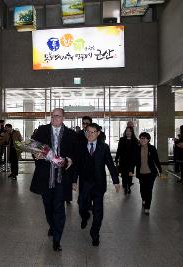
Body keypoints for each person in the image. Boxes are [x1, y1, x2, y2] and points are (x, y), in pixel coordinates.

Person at [30, 108, 76, 252]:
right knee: (48, 205)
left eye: (58, 116)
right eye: (53, 116)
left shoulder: (71, 134)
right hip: (45, 177)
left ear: (63, 118)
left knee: (59, 208)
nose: (54, 118)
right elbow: (34, 147)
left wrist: (68, 160)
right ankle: (52, 224)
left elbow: (74, 154)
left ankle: (57, 239)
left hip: (61, 178)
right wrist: (36, 155)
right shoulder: (42, 130)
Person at [73, 123, 120, 246]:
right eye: (88, 131)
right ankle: (85, 215)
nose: (90, 134)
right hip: (85, 183)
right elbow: (76, 165)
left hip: (99, 184)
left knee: (98, 211)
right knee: (82, 205)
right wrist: (74, 181)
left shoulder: (103, 147)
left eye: (93, 132)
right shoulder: (80, 146)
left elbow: (110, 164)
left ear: (98, 133)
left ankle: (95, 234)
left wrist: (116, 181)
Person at [134, 132, 162, 215]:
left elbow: (156, 159)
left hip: (151, 173)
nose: (142, 140)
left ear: (148, 139)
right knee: (142, 189)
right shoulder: (137, 148)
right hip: (141, 173)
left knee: (149, 190)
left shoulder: (152, 148)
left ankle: (147, 207)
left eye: (144, 138)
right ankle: (144, 199)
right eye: (141, 138)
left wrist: (160, 169)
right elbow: (134, 161)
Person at [115, 126, 138, 195]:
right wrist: (116, 158)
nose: (128, 132)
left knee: (130, 174)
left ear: (132, 132)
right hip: (123, 161)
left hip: (131, 161)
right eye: (127, 131)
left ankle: (129, 186)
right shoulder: (122, 139)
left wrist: (137, 161)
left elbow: (136, 151)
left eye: (129, 131)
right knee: (124, 175)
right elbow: (119, 150)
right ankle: (125, 186)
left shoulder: (135, 140)